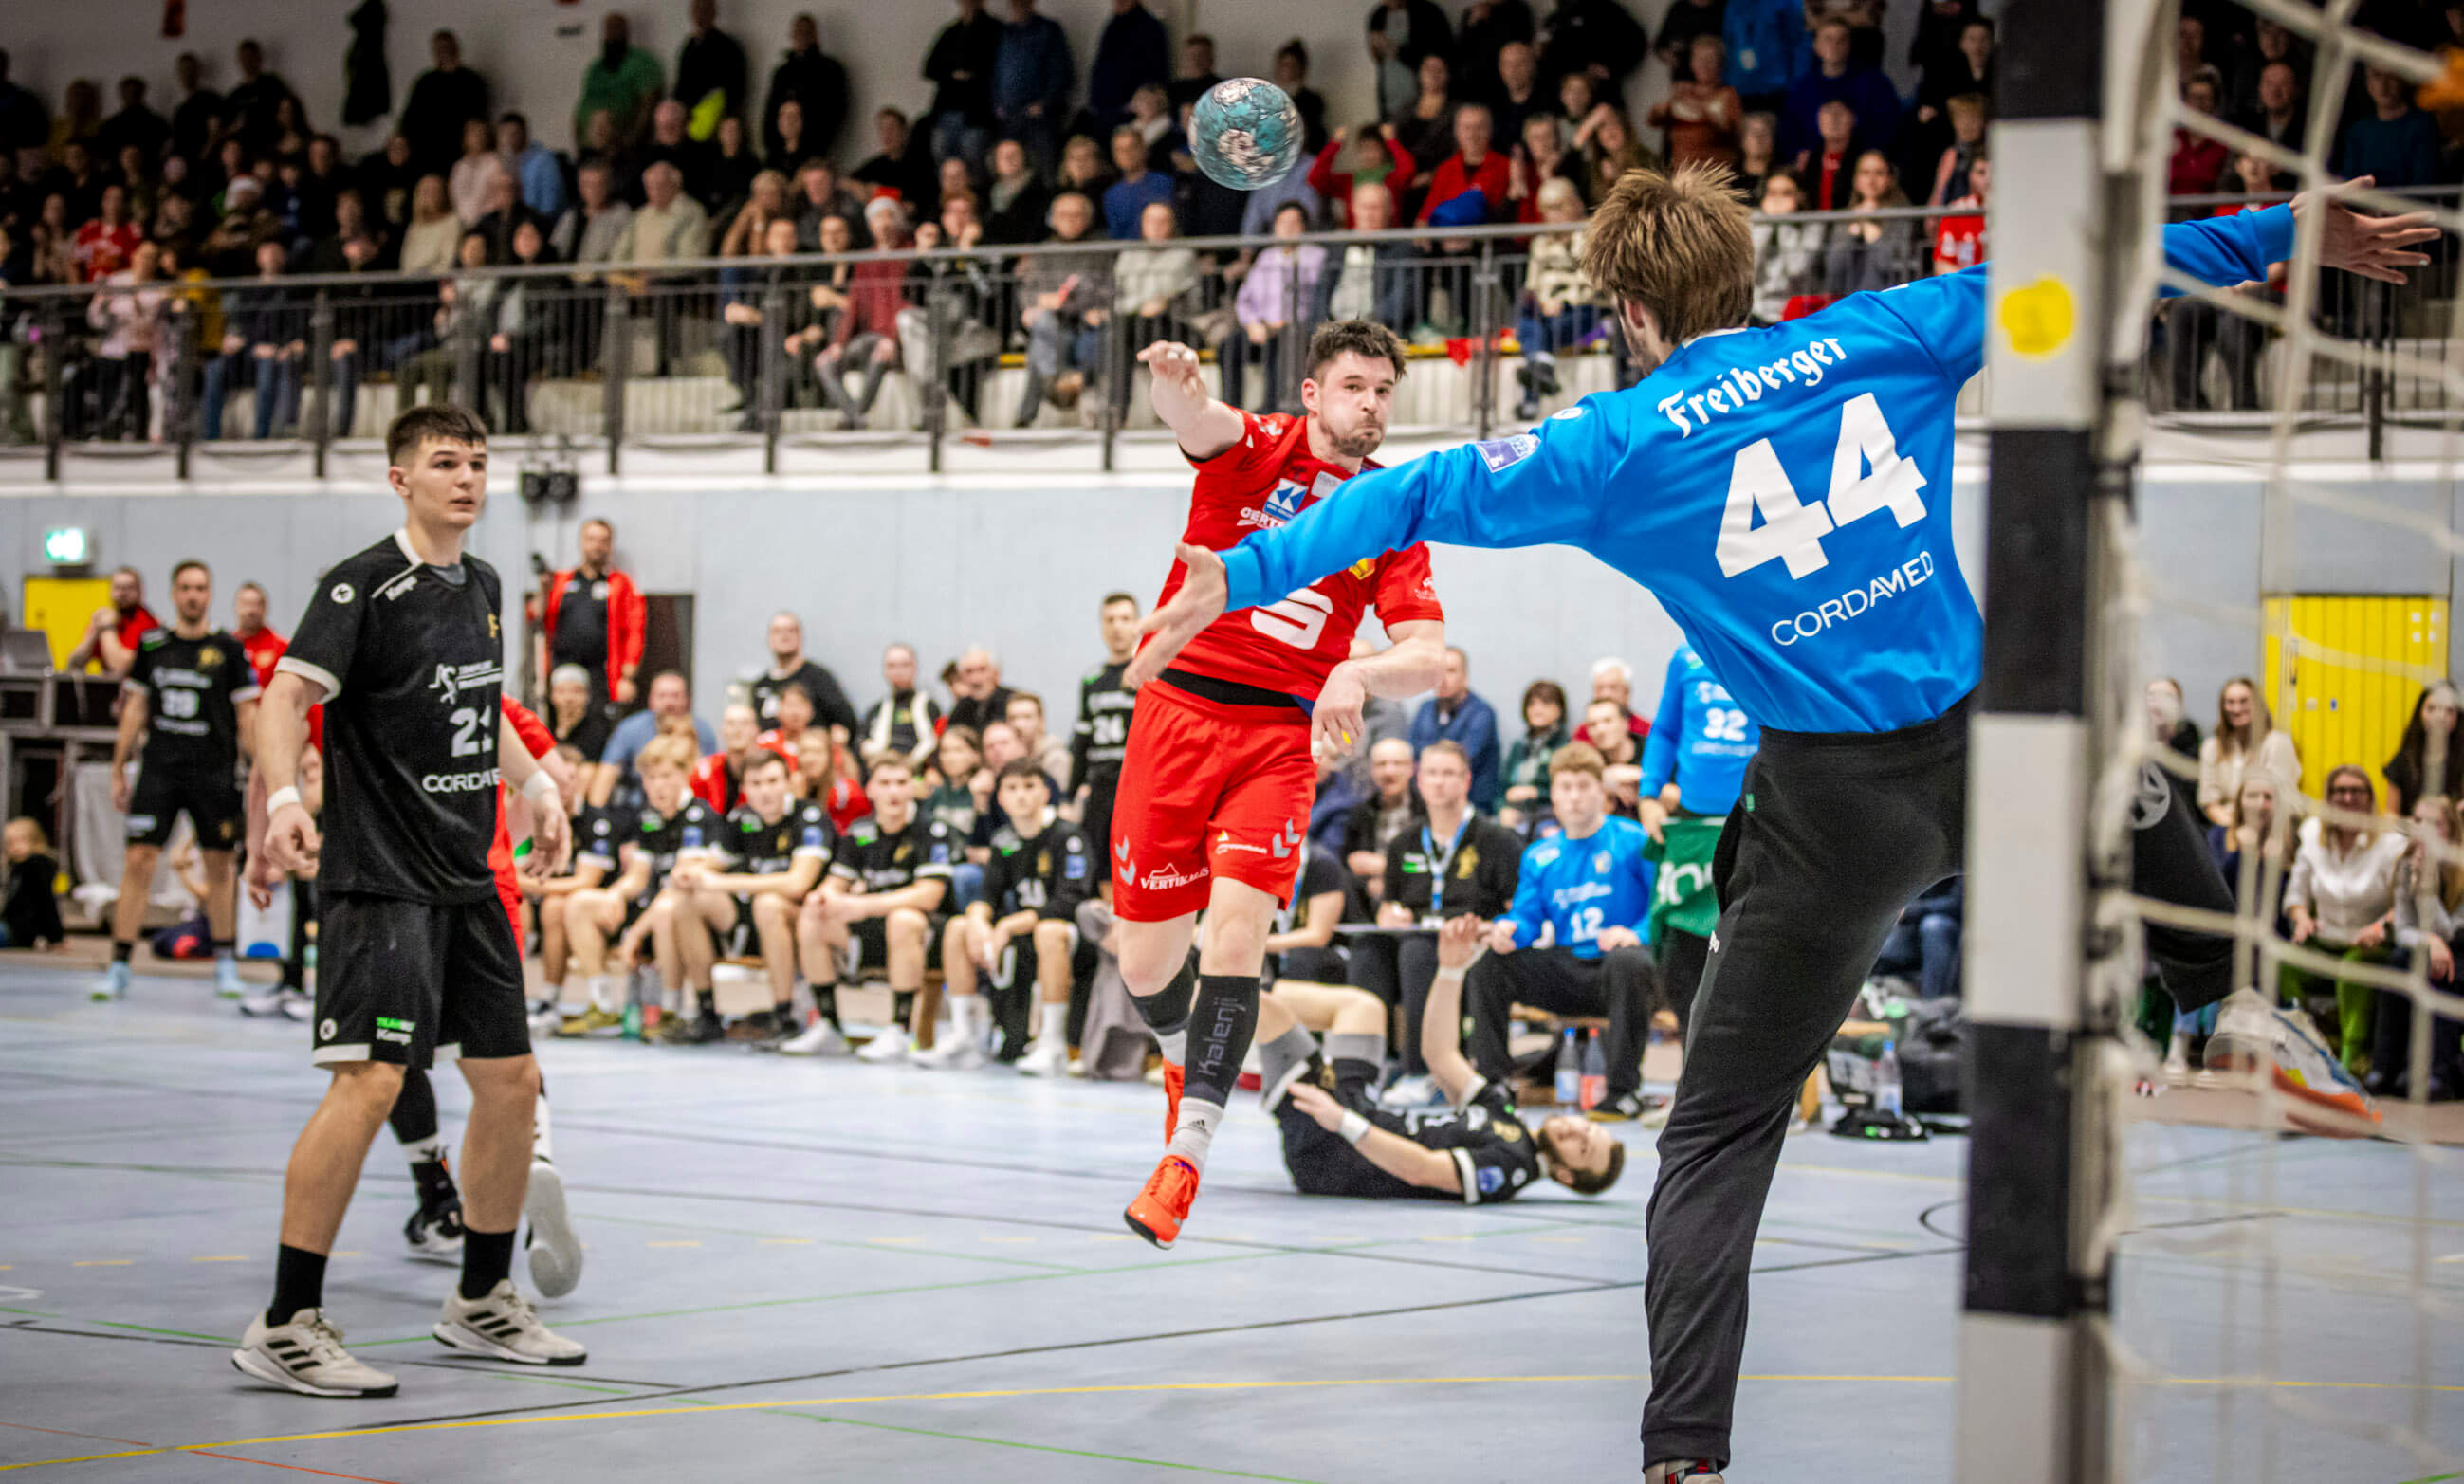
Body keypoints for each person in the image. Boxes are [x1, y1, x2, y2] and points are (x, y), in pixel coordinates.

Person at [1127, 165, 2433, 1481]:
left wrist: (1238, 571)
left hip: (1836, 814)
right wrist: (2284, 229)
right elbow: (2093, 269)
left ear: (1632, 312)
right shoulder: (1883, 327)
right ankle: (2223, 997)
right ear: (1745, 276)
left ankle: (1684, 1451)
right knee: (2104, 724)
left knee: (1714, 1137)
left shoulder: (1613, 444)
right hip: (1994, 746)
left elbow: (1401, 496)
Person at [234, 405, 579, 1398]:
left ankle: (481, 1298)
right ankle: (286, 1321)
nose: (466, 478)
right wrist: (286, 800)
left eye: (478, 462)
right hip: (381, 878)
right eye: (445, 463)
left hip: (466, 877)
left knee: (511, 1080)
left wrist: (536, 782)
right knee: (371, 1083)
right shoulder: (360, 584)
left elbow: (475, 704)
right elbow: (284, 698)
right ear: (401, 479)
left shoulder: (484, 584)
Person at [1107, 319, 1447, 1251]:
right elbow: (1196, 418)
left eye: (1384, 390)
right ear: (1312, 393)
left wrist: (1359, 671)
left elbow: (1429, 653)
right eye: (1353, 386)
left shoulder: (1391, 507)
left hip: (1277, 740)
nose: (1370, 405)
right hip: (1177, 715)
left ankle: (1187, 1154)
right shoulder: (1256, 447)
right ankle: (1181, 1058)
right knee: (1145, 965)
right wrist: (1173, 382)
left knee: (1236, 938)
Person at [1259, 922, 1624, 1201]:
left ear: (1566, 1175)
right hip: (1360, 1112)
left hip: (1332, 1149)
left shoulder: (1509, 1168)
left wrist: (1342, 1121)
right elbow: (1440, 1055)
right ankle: (1244, 983)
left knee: (1269, 1014)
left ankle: (1233, 985)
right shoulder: (1509, 1119)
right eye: (1588, 1128)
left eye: (1583, 1147)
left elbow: (1421, 1169)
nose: (1578, 1131)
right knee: (1363, 1007)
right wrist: (1451, 971)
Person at [1458, 742, 1659, 1117]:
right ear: (1553, 795)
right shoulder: (1540, 854)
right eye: (1566, 787)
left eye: (1584, 786)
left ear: (1602, 792)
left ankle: (1622, 1092)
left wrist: (1636, 934)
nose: (1575, 797)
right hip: (1568, 967)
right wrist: (1506, 931)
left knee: (1628, 962)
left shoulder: (1633, 839)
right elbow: (1526, 919)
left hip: (1622, 969)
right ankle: (1494, 1085)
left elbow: (1661, 906)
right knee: (1489, 962)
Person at [95, 561, 258, 1003]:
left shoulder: (228, 649)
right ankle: (119, 965)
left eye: (200, 588)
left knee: (220, 864)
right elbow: (134, 708)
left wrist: (261, 771)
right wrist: (118, 766)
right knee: (139, 860)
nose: (193, 595)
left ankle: (225, 962)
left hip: (214, 772)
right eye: (185, 587)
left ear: (210, 594)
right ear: (173, 593)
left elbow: (247, 716)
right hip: (160, 771)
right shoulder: (153, 645)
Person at [1351, 741, 1521, 1101]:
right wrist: (1388, 915)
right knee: (1367, 950)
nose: (1439, 782)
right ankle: (1364, 1069)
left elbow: (1518, 910)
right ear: (1419, 780)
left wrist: (1489, 926)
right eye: (1431, 773)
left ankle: (1421, 1071)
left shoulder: (1498, 840)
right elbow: (1389, 905)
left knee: (1418, 952)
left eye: (1448, 773)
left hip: (1473, 940)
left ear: (1466, 780)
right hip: (1417, 934)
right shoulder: (1404, 842)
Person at [916, 759, 1092, 1072]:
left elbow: (1069, 902)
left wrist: (1009, 925)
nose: (1021, 795)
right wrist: (978, 922)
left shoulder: (1069, 836)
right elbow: (988, 895)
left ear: (1045, 793)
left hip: (1072, 938)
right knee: (958, 927)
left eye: (1029, 786)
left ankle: (1052, 1042)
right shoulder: (1004, 840)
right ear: (1001, 798)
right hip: (1022, 937)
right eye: (1012, 788)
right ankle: (964, 1037)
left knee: (1049, 930)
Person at [784, 756, 956, 1059]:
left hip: (924, 934)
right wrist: (823, 896)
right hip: (872, 926)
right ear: (870, 789)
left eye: (901, 783)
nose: (893, 791)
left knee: (903, 919)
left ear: (913, 789)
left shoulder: (932, 830)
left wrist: (864, 905)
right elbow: (837, 880)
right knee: (812, 915)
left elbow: (929, 895)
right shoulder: (860, 830)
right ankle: (828, 1025)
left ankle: (901, 1030)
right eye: (885, 783)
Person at [668, 745, 832, 1045]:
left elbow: (798, 883)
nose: (765, 792)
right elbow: (712, 863)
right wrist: (690, 872)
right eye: (756, 784)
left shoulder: (809, 816)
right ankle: (707, 1013)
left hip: (803, 923)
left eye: (772, 781)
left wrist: (724, 883)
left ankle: (784, 1015)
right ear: (744, 788)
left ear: (788, 782)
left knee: (768, 903)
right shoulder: (742, 819)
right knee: (688, 901)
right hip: (753, 920)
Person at [1071, 594, 1141, 894]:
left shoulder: (1149, 672)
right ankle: (1110, 920)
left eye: (1125, 619)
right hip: (1100, 789)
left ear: (1138, 624)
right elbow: (1081, 741)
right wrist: (1069, 795)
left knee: (1136, 861)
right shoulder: (1092, 680)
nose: (1117, 627)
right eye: (1110, 620)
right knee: (1102, 863)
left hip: (1137, 786)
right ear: (1101, 627)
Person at [540, 517, 645, 710]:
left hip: (601, 674)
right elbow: (539, 616)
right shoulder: (561, 580)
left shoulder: (621, 583)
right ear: (582, 542)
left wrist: (627, 676)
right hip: (562, 669)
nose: (597, 546)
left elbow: (635, 630)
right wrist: (543, 589)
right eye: (591, 539)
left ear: (610, 545)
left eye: (603, 541)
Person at [2196, 675, 2300, 827]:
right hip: (2226, 827)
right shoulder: (2212, 747)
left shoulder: (2277, 743)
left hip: (2272, 828)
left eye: (2244, 701)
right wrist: (2233, 830)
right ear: (2223, 707)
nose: (2237, 709)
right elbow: (2210, 802)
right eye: (2230, 702)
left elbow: (2276, 801)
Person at [748, 610, 860, 741]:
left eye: (791, 630)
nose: (784, 636)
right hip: (770, 750)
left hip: (810, 749)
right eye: (777, 631)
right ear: (769, 639)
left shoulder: (818, 677)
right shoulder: (761, 685)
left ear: (800, 637)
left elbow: (846, 722)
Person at [574, 12, 666, 152]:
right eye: (609, 29)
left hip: (626, 140)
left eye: (617, 28)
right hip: (591, 142)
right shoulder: (596, 68)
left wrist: (633, 139)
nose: (612, 34)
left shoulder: (642, 62)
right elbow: (583, 105)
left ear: (626, 32)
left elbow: (649, 102)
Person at [859, 642, 945, 771]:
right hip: (880, 769)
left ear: (915, 668)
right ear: (884, 671)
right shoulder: (876, 710)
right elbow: (862, 744)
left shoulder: (929, 706)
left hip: (918, 772)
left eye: (905, 665)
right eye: (891, 666)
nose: (898, 671)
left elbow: (934, 742)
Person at [2384, 681, 2462, 818]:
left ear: (2458, 717)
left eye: (2449, 711)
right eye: (2431, 709)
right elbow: (2390, 814)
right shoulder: (2404, 759)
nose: (2439, 717)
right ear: (2420, 713)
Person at [67, 567, 156, 679]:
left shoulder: (149, 624)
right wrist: (94, 632)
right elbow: (74, 664)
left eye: (129, 588)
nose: (123, 593)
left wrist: (108, 628)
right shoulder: (106, 619)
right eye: (118, 588)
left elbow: (120, 669)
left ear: (140, 592)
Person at [1, 816, 65, 950]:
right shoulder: (16, 867)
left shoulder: (36, 864)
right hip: (11, 928)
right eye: (10, 843)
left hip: (17, 932)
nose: (15, 847)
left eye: (21, 840)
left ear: (35, 841)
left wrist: (55, 937)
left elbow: (46, 902)